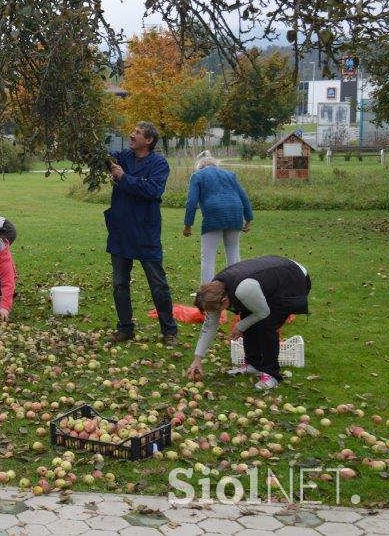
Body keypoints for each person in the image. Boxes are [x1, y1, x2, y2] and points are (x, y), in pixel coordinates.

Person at [185, 255, 311, 390]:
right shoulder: (214, 291)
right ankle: (253, 364)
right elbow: (209, 326)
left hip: (293, 278)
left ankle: (271, 374)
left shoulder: (244, 289)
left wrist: (240, 326)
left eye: (217, 310)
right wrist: (197, 359)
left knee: (267, 324)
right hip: (268, 278)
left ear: (224, 302)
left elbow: (263, 312)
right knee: (247, 314)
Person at [105, 121, 178, 345]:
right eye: (133, 131)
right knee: (119, 283)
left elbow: (152, 190)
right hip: (120, 231)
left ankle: (169, 331)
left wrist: (124, 178)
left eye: (137, 133)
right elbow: (101, 157)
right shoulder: (123, 157)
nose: (131, 134)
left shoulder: (158, 164)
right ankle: (125, 328)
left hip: (146, 232)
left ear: (149, 140)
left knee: (158, 284)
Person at [183, 151, 254, 283]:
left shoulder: (197, 176)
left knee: (208, 257)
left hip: (213, 214)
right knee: (233, 253)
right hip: (235, 212)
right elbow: (243, 196)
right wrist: (248, 219)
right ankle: (236, 289)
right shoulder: (229, 175)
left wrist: (188, 225)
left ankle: (207, 292)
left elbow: (191, 201)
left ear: (199, 166)